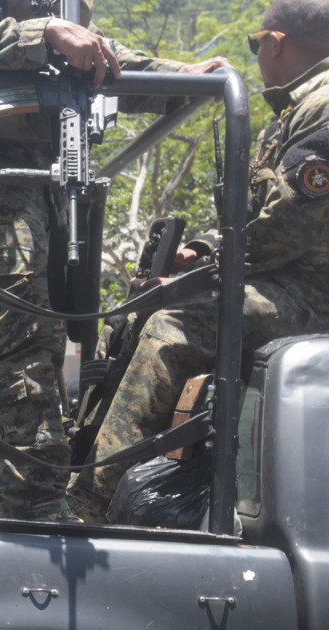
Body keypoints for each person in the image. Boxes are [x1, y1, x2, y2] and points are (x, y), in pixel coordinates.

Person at [0, 0, 230, 520]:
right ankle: (38, 517)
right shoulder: (40, 19)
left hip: (42, 175)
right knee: (14, 340)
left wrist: (181, 76)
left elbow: (97, 57)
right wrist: (47, 33)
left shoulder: (56, 10)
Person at [68, 0, 329, 522]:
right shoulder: (295, 110)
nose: (255, 56)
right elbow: (259, 217)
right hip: (284, 277)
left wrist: (208, 272)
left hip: (311, 289)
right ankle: (76, 464)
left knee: (174, 323)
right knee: (139, 311)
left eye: (255, 45)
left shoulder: (321, 106)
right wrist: (204, 252)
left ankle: (88, 506)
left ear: (274, 43)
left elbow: (290, 229)